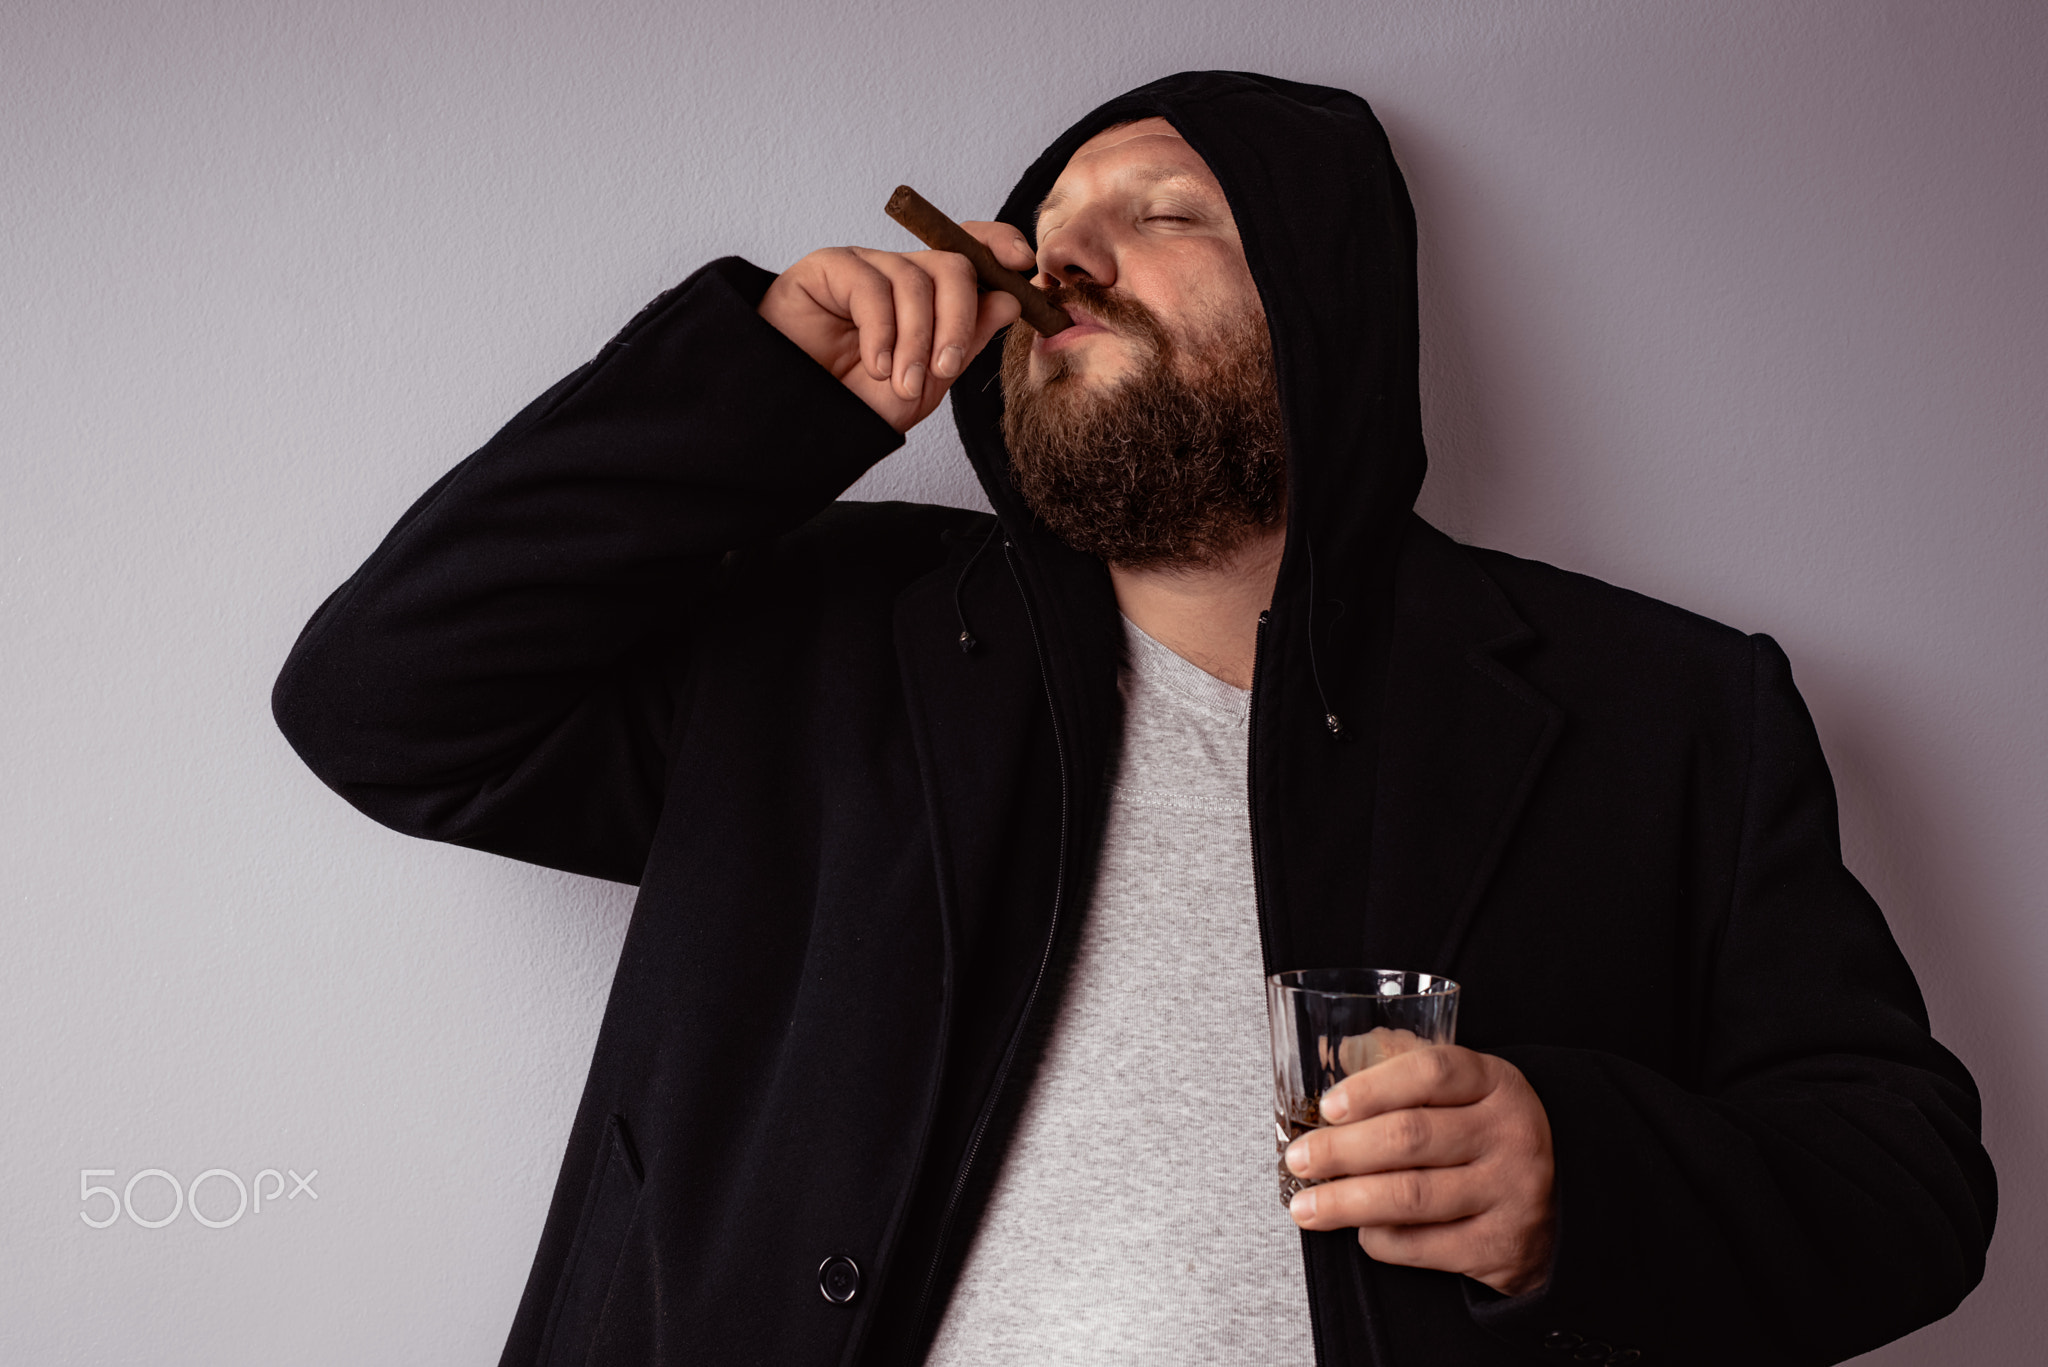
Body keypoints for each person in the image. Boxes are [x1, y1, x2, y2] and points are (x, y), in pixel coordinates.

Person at [271, 71, 1995, 1366]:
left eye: (1161, 213)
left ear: (1326, 301)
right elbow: (386, 707)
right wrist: (752, 394)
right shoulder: (816, 640)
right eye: (1047, 225)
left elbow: (1907, 1187)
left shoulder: (1668, 712)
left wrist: (1574, 1181)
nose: (1063, 263)